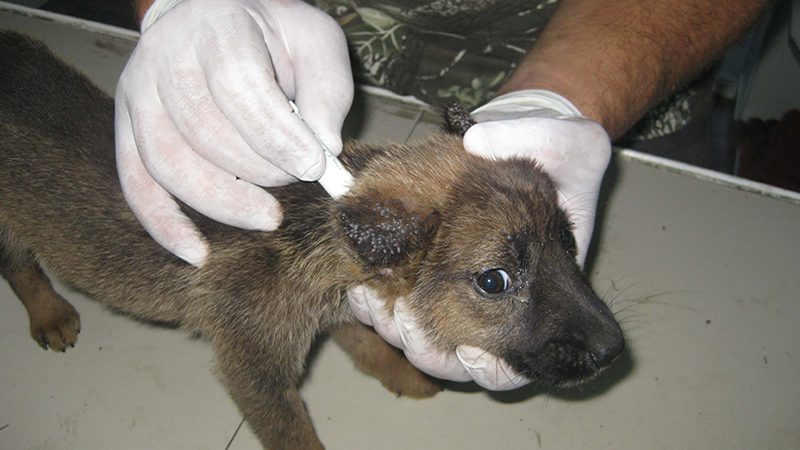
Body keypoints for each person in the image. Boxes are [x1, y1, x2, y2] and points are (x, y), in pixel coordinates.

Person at [117, 0, 770, 389]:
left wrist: (563, 100)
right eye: (494, 281)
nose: (601, 333)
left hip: (626, 49)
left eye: (559, 236)